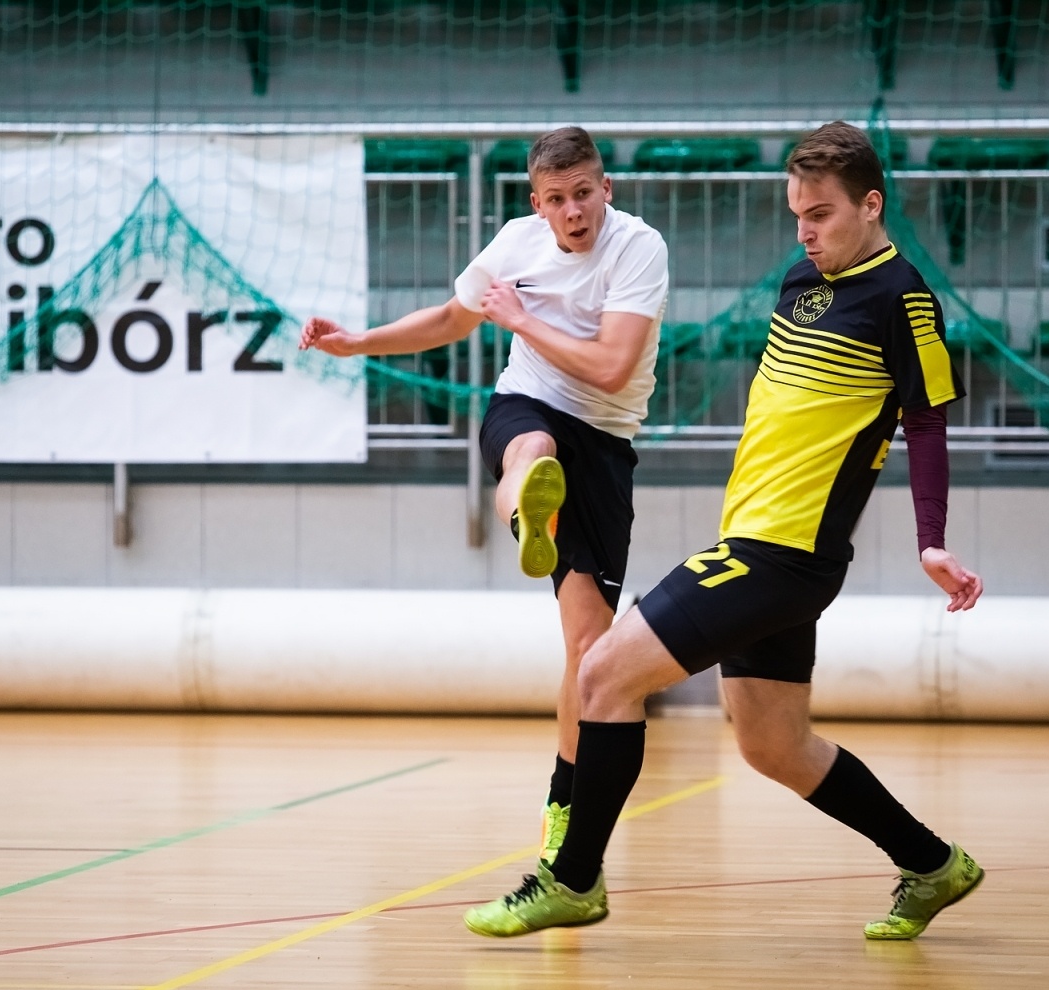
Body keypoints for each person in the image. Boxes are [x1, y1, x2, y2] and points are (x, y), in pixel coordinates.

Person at [465, 121, 985, 941]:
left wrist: (932, 539)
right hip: (759, 541)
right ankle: (932, 865)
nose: (806, 232)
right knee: (775, 746)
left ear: (870, 205)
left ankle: (571, 880)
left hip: (781, 554)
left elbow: (926, 422)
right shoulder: (796, 282)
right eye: (797, 216)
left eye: (820, 214)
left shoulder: (902, 296)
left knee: (602, 676)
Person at [301, 127, 669, 868]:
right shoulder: (514, 243)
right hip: (528, 404)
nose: (574, 211)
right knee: (529, 450)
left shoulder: (638, 248)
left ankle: (563, 797)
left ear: (607, 189)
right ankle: (529, 508)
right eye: (557, 199)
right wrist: (356, 343)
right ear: (538, 204)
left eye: (584, 193)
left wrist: (522, 320)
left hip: (602, 439)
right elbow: (447, 320)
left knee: (588, 650)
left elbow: (611, 366)